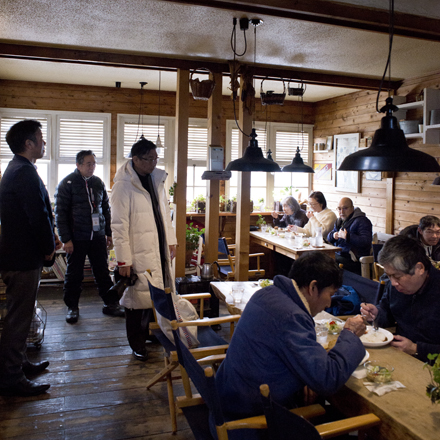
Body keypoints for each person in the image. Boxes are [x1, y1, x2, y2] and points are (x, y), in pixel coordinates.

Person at [215, 252, 366, 439]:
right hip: (248, 423)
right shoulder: (292, 317)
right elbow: (328, 379)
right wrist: (350, 333)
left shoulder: (267, 293)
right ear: (313, 287)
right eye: (330, 294)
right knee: (344, 418)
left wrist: (305, 376)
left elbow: (280, 351)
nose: (329, 303)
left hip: (229, 402)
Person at [0, 119, 62, 396]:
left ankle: (19, 363)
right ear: (28, 143)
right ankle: (11, 377)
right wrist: (49, 247)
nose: (44, 142)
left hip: (19, 255)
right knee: (19, 319)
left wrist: (51, 238)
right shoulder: (23, 172)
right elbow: (36, 215)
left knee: (20, 316)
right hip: (22, 258)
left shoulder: (18, 168)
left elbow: (40, 213)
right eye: (40, 137)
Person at [111, 137, 177, 361]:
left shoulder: (156, 180)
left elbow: (165, 213)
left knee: (155, 293)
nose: (154, 163)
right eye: (149, 159)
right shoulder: (123, 186)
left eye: (156, 158)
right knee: (135, 299)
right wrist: (123, 261)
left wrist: (171, 240)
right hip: (137, 249)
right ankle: (136, 343)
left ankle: (149, 333)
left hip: (156, 246)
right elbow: (118, 226)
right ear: (136, 159)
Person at [54, 150, 124, 323]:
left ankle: (110, 304)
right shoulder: (67, 184)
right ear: (78, 165)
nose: (92, 167)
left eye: (94, 163)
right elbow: (60, 214)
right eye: (88, 164)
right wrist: (66, 239)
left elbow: (106, 209)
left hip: (97, 237)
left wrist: (108, 233)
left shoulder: (98, 183)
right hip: (76, 238)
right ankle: (72, 307)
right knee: (74, 274)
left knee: (102, 272)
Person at [361, 235, 440, 362]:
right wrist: (377, 314)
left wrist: (416, 349)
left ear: (419, 269)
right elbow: (387, 313)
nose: (393, 283)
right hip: (398, 355)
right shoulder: (397, 287)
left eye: (397, 276)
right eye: (389, 276)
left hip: (431, 365)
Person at [327, 197, 372, 275]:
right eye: (339, 209)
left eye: (345, 208)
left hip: (354, 259)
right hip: (340, 254)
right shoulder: (339, 221)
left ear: (352, 208)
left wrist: (347, 237)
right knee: (320, 259)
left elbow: (366, 241)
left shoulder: (362, 221)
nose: (341, 212)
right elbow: (329, 237)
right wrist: (333, 236)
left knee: (325, 262)